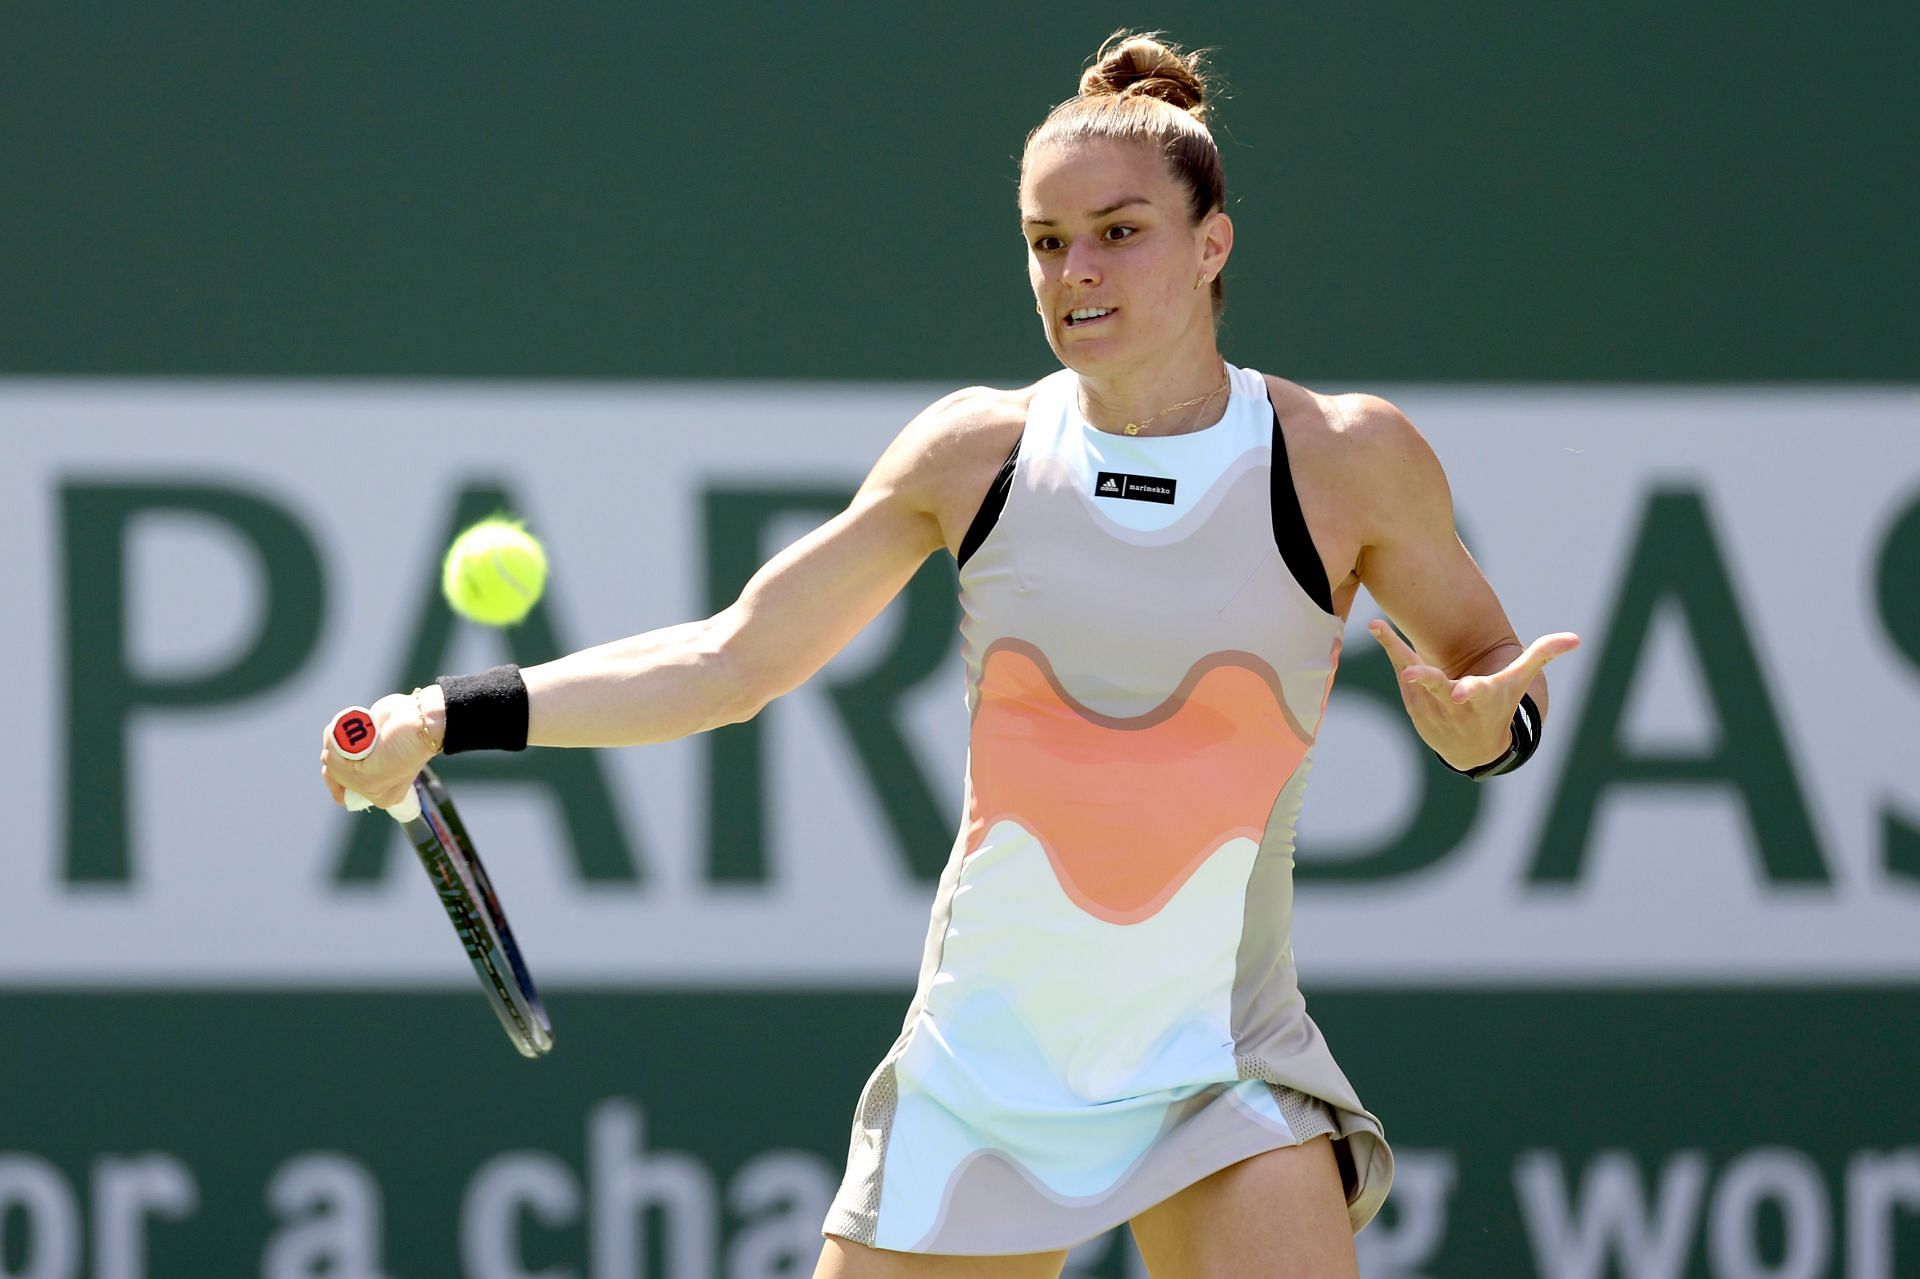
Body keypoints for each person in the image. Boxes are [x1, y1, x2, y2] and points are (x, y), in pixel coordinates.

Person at [322, 31, 1579, 1279]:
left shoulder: (1344, 458)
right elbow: (727, 662)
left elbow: (1491, 672)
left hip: (1223, 1066)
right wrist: (445, 713)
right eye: (1045, 241)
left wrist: (1484, 729)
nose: (1074, 271)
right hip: (985, 1074)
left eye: (1118, 231)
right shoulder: (972, 455)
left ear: (1212, 245)